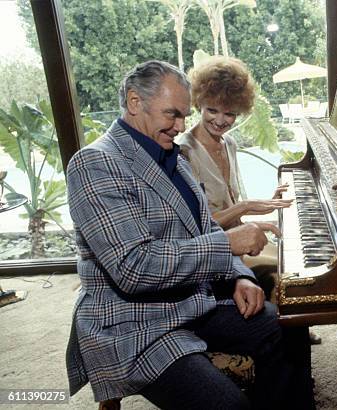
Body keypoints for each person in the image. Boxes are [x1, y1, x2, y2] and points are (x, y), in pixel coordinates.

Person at [65, 60, 312, 409]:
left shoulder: (171, 155)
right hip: (136, 325)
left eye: (183, 115)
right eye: (172, 115)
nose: (181, 126)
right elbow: (133, 268)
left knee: (288, 325)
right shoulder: (94, 163)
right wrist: (228, 243)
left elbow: (205, 227)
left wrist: (241, 276)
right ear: (135, 103)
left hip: (190, 302)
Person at [176, 56, 321, 344]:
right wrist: (245, 207)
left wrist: (269, 202)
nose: (220, 120)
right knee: (285, 269)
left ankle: (293, 330)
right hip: (213, 249)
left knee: (292, 260)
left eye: (229, 114)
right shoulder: (184, 152)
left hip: (237, 238)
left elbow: (231, 205)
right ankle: (288, 335)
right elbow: (193, 228)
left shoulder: (228, 143)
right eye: (211, 110)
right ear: (198, 105)